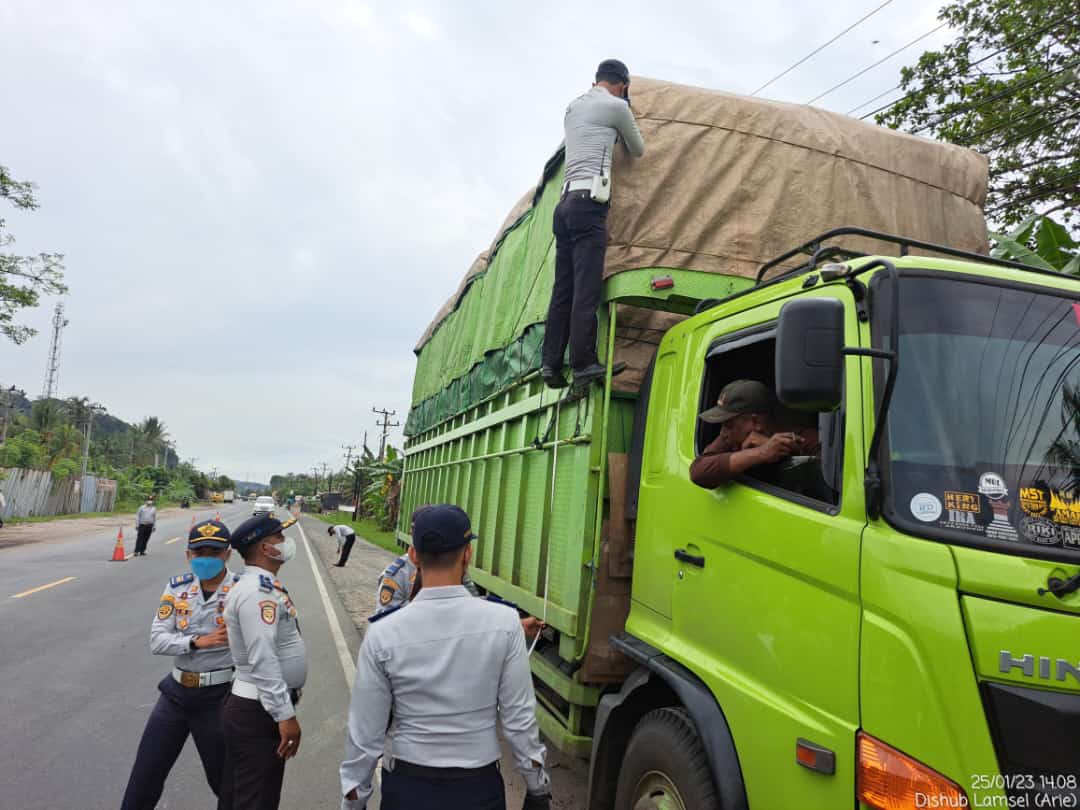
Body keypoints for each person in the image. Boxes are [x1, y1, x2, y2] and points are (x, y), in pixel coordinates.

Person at [340, 504, 552, 810]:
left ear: (413, 555)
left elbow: (365, 734)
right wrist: (537, 788)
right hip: (478, 789)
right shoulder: (504, 624)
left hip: (407, 789)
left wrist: (353, 801)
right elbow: (519, 720)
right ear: (467, 554)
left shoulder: (383, 634)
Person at [541, 58, 646, 390]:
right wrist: (625, 106)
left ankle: (551, 364)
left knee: (563, 289)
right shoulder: (616, 106)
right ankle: (584, 363)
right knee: (586, 289)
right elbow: (638, 149)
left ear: (596, 80)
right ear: (623, 84)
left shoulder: (573, 107)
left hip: (564, 206)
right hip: (590, 205)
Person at [120, 519, 238, 810]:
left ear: (228, 554)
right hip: (175, 694)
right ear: (188, 556)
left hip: (219, 697)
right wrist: (197, 641)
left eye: (214, 552)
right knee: (145, 776)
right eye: (200, 553)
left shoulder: (241, 591)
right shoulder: (177, 589)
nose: (207, 558)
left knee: (225, 782)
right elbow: (157, 641)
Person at [218, 514, 306, 810]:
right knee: (257, 800)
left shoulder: (262, 586)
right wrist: (284, 715)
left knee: (240, 795)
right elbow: (263, 658)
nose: (286, 543)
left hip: (255, 707)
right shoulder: (258, 592)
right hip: (259, 712)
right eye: (280, 538)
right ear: (267, 549)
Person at [690, 380, 803, 489]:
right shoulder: (729, 437)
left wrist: (788, 452)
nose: (722, 433)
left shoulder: (803, 437)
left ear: (755, 422)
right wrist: (762, 452)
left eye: (728, 425)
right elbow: (698, 471)